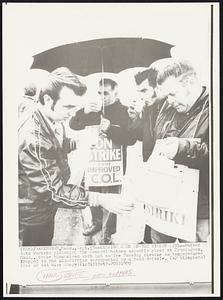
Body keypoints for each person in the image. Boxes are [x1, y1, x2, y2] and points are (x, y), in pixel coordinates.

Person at [19, 68, 134, 246]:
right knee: (36, 248)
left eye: (75, 107)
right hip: (34, 212)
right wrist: (99, 199)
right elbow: (53, 191)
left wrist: (79, 142)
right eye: (68, 107)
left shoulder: (52, 118)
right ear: (48, 100)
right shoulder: (33, 137)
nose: (72, 113)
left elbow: (59, 144)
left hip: (44, 207)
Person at [149, 58, 209, 243]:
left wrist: (181, 148)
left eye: (173, 94)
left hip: (199, 205)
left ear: (190, 83)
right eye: (167, 96)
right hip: (164, 199)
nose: (169, 101)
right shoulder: (168, 106)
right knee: (159, 249)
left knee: (194, 259)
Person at [69, 78, 136, 244]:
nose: (102, 96)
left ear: (115, 92)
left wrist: (110, 128)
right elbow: (73, 125)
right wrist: (83, 111)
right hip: (94, 161)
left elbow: (131, 138)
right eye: (99, 93)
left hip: (114, 163)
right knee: (94, 193)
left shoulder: (124, 110)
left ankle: (108, 233)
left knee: (112, 196)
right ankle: (97, 222)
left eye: (106, 93)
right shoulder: (94, 109)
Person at [127, 67, 166, 243]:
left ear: (157, 87)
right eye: (139, 91)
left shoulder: (167, 106)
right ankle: (147, 240)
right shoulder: (149, 107)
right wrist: (136, 117)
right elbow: (137, 137)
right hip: (150, 165)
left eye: (144, 90)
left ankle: (151, 241)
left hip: (165, 167)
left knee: (161, 209)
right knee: (151, 206)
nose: (141, 95)